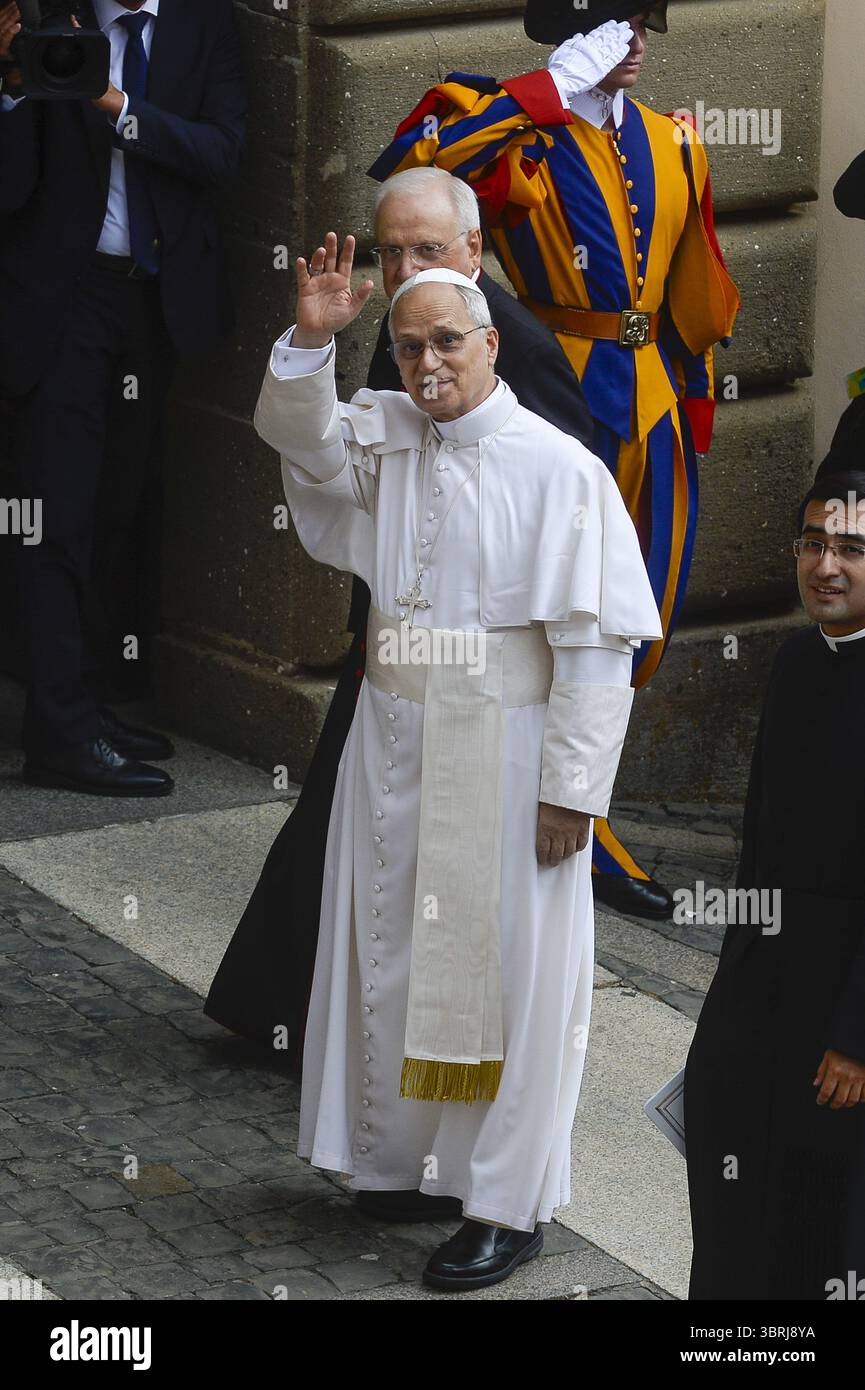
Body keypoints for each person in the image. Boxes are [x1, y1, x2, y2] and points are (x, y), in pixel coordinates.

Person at [254, 236, 661, 1288]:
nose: (427, 364)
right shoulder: (383, 440)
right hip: (393, 743)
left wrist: (573, 791)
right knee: (384, 946)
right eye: (406, 346)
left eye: (448, 343)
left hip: (511, 750)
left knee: (515, 980)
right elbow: (300, 443)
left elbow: (596, 644)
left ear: (491, 344)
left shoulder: (558, 468)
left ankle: (505, 1200)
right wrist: (311, 339)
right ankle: (401, 1161)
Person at [205, 166, 594, 1061]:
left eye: (429, 248)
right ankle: (325, 1047)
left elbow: (575, 553)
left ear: (475, 254)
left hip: (488, 696)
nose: (410, 267)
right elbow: (322, 449)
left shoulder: (525, 361)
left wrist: (569, 781)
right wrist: (310, 342)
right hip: (393, 655)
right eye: (392, 252)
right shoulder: (397, 328)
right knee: (363, 870)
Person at [368, 0, 740, 920]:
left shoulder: (673, 140)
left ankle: (582, 789)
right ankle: (549, 807)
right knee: (539, 606)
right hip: (549, 391)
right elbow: (423, 176)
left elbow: (690, 288)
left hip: (647, 394)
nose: (633, 42)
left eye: (642, 23)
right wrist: (549, 89)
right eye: (612, 23)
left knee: (639, 605)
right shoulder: (500, 124)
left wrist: (689, 407)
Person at [0, 0, 246, 795]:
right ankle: (58, 737)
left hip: (154, 301)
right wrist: (10, 84)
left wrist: (116, 108)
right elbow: (7, 191)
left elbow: (221, 154)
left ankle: (87, 701)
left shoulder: (204, 23)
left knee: (119, 506)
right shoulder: (51, 22)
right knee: (55, 516)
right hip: (64, 304)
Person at [684, 470, 865, 1300]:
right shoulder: (794, 661)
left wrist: (856, 1036)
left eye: (852, 549)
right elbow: (758, 843)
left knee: (819, 1223)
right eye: (813, 544)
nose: (825, 566)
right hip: (764, 980)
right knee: (733, 1204)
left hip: (844, 1008)